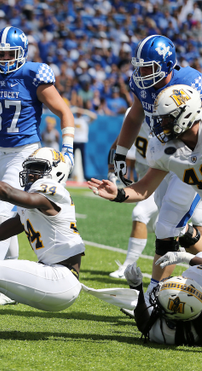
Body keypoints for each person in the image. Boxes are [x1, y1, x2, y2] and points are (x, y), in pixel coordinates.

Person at [0, 148, 136, 344]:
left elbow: (9, 194)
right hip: (54, 280)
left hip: (61, 279)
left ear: (56, 172)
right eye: (30, 167)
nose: (30, 173)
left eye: (38, 167)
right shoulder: (33, 204)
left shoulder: (54, 192)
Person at [0, 26, 75, 305]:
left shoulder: (32, 74)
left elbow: (64, 111)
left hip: (25, 152)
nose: (3, 59)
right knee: (8, 219)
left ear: (22, 53)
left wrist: (68, 147)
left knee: (1, 212)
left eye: (9, 53)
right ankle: (7, 283)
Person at [112, 35, 202, 301]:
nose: (141, 75)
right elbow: (135, 113)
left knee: (167, 227)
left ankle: (155, 293)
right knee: (175, 227)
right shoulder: (142, 88)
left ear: (167, 64)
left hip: (192, 155)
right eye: (138, 67)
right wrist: (120, 151)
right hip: (166, 153)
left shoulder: (190, 80)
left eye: (148, 68)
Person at [90, 85, 202, 278]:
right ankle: (155, 293)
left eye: (166, 118)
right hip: (187, 186)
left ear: (186, 115)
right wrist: (119, 194)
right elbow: (145, 187)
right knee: (169, 230)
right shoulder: (165, 149)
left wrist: (185, 258)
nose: (159, 124)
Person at [107, 110, 159, 279]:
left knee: (188, 225)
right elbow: (116, 146)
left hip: (170, 173)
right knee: (161, 224)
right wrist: (112, 175)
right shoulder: (134, 112)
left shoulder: (167, 107)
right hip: (148, 175)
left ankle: (128, 267)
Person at [123, 252, 202, 345]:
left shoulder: (161, 334)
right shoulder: (160, 334)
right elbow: (143, 326)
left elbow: (144, 325)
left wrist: (135, 286)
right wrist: (186, 257)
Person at [71, 105, 97, 182]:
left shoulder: (84, 119)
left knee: (83, 160)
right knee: (71, 159)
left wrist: (84, 111)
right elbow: (68, 112)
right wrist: (76, 109)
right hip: (74, 141)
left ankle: (84, 175)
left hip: (82, 141)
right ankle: (69, 175)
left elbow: (94, 116)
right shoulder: (73, 119)